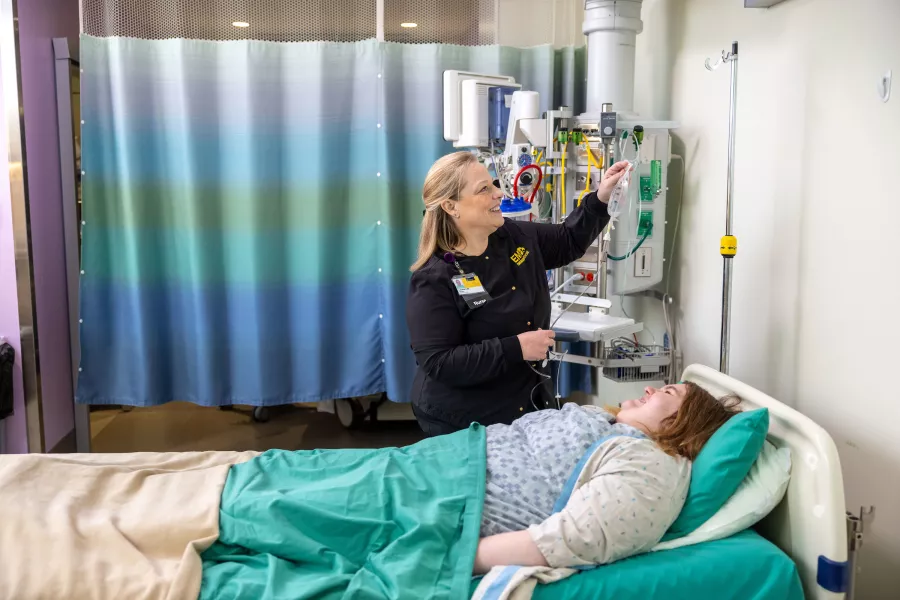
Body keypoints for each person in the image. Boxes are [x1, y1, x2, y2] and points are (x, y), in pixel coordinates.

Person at [406, 150, 631, 435]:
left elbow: (567, 241)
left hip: (525, 404)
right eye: (484, 189)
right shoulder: (434, 278)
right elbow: (439, 362)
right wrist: (517, 348)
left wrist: (600, 197)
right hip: (463, 420)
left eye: (493, 184)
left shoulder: (515, 237)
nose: (498, 194)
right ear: (452, 206)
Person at [473, 382, 741, 574]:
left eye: (667, 391)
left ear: (680, 421)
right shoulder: (604, 420)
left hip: (456, 499)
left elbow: (572, 538)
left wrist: (453, 557)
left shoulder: (650, 466)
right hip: (451, 459)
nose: (649, 389)